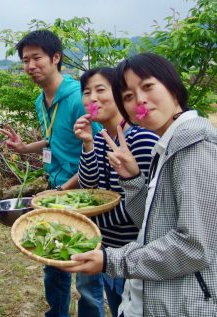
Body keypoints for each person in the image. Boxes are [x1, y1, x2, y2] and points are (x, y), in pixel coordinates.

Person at [62, 53, 217, 317]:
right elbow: (152, 222)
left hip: (182, 301)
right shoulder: (166, 144)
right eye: (129, 96)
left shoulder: (194, 147)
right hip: (149, 295)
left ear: (173, 87)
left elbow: (194, 246)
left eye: (147, 86)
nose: (140, 101)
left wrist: (111, 259)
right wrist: (133, 180)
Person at [0, 30, 105, 317]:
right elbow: (52, 139)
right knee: (53, 257)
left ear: (56, 58)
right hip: (56, 187)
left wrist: (61, 192)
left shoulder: (76, 99)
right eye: (25, 60)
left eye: (36, 58)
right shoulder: (40, 100)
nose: (30, 66)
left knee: (86, 270)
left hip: (83, 193)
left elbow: (95, 150)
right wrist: (23, 149)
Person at [74, 67, 158, 316]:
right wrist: (88, 144)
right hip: (108, 249)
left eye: (101, 90)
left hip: (131, 253)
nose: (92, 98)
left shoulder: (141, 138)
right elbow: (89, 187)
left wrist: (91, 219)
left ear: (121, 94)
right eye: (87, 92)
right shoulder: (100, 137)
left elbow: (143, 208)